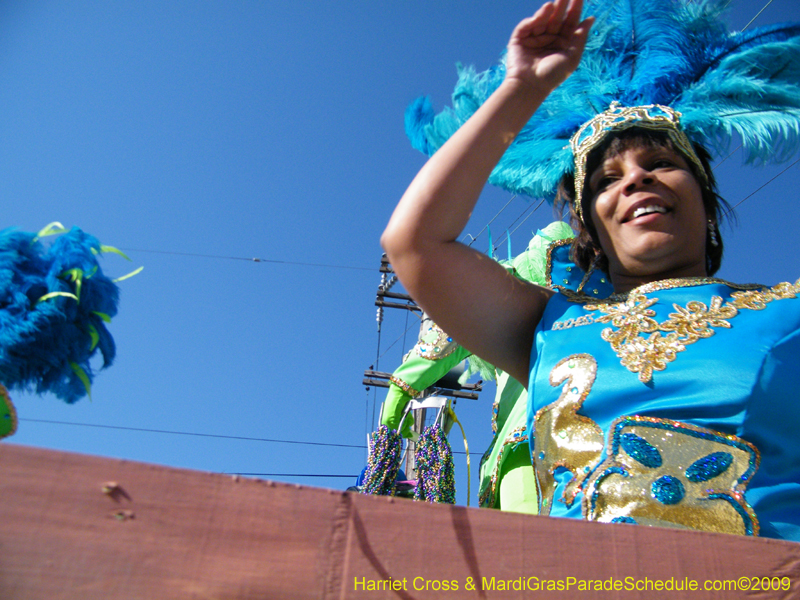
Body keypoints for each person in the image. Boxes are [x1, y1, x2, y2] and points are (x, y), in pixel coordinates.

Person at [382, 0, 800, 541]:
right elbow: (414, 243)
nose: (634, 182)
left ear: (704, 192)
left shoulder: (787, 311)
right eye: (606, 180)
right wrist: (521, 88)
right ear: (590, 229)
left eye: (661, 165)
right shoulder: (546, 326)